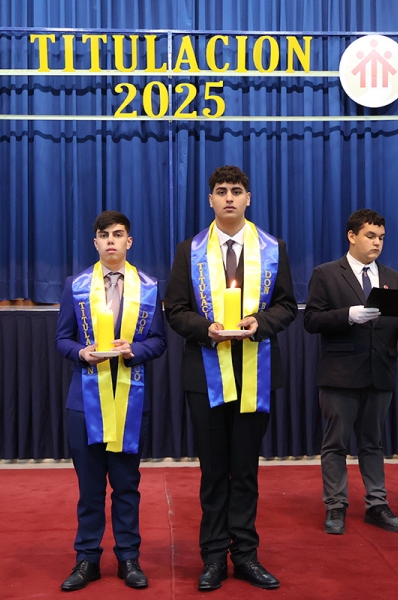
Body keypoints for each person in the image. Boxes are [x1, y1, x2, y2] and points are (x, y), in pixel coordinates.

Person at [164, 165, 297, 591]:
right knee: (213, 471)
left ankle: (245, 555)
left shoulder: (273, 249)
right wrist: (207, 329)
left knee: (245, 471)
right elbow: (175, 310)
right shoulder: (189, 250)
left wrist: (261, 323)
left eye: (236, 191)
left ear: (248, 198)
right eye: (220, 191)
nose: (228, 198)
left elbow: (287, 306)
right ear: (210, 200)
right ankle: (212, 558)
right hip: (205, 375)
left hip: (256, 371)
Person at [55, 210, 167, 592]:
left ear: (128, 241)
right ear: (95, 242)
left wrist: (134, 349)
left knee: (126, 486)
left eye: (118, 235)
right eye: (104, 235)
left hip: (131, 400)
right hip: (84, 403)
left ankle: (128, 557)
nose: (111, 241)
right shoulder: (75, 286)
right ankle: (87, 558)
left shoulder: (148, 287)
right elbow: (62, 339)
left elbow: (159, 341)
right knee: (89, 489)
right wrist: (81, 353)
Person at [303, 209, 398, 535]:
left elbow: (396, 330)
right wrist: (348, 315)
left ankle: (376, 504)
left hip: (380, 372)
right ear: (352, 236)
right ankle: (336, 505)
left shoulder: (394, 279)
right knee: (336, 444)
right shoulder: (326, 274)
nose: (377, 243)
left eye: (381, 237)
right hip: (340, 373)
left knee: (373, 443)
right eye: (370, 236)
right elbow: (311, 320)